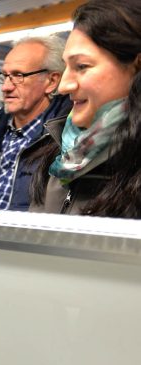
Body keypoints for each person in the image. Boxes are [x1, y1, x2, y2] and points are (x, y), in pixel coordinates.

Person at [30, 0, 141, 217]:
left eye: (81, 66)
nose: (63, 86)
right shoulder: (62, 153)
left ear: (136, 67)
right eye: (66, 67)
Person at [0, 36, 70, 211]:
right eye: (5, 76)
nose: (5, 87)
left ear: (51, 81)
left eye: (18, 75)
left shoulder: (62, 142)